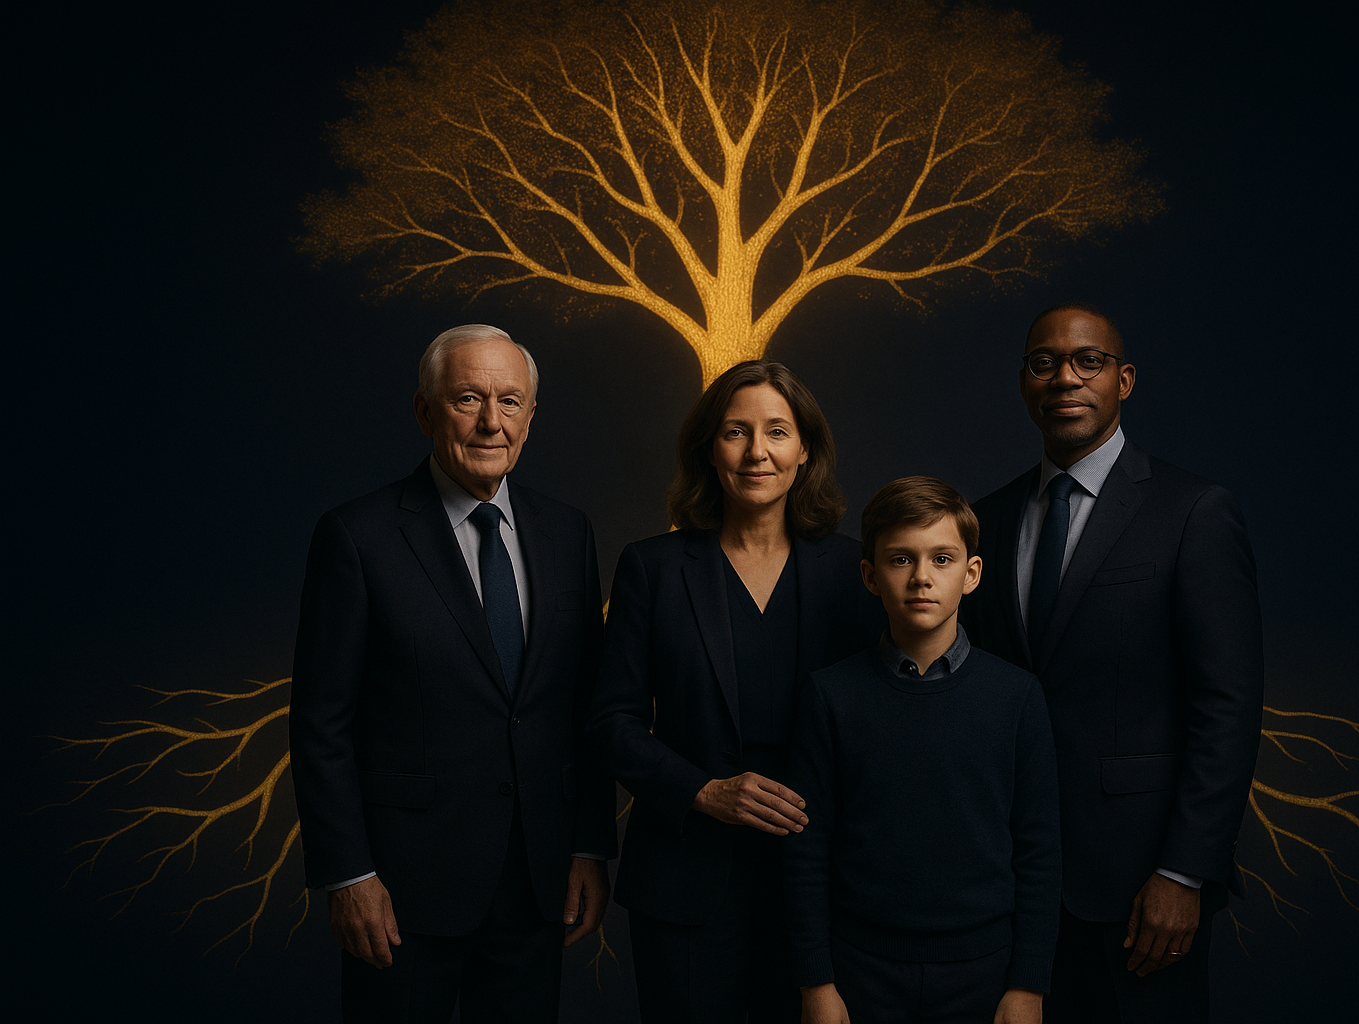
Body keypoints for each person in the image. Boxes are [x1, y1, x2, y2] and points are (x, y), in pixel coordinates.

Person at [290, 324, 616, 1023]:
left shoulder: (569, 533)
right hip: (403, 888)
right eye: (468, 398)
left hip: (537, 880)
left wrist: (589, 845)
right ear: (425, 411)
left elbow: (582, 707)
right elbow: (322, 724)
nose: (491, 421)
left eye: (510, 400)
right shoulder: (357, 537)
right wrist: (348, 874)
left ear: (531, 416)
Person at [964, 302, 1263, 1023]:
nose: (1064, 377)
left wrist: (1184, 871)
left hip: (1139, 889)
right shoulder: (985, 520)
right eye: (1045, 362)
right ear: (1023, 382)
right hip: (1005, 883)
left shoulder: (1192, 511)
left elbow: (1226, 707)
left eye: (1087, 361)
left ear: (1124, 380)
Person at [589, 360, 879, 1023]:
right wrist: (704, 791)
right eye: (735, 432)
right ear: (707, 448)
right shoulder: (652, 568)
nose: (757, 452)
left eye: (777, 431)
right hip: (686, 877)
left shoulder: (855, 569)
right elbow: (611, 721)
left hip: (824, 881)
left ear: (805, 449)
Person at [785, 476, 1061, 1024]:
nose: (921, 579)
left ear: (971, 574)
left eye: (941, 559)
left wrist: (1028, 985)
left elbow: (1039, 852)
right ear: (869, 575)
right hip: (860, 969)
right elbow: (806, 850)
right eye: (900, 560)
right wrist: (816, 981)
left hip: (983, 972)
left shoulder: (1016, 697)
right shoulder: (830, 695)